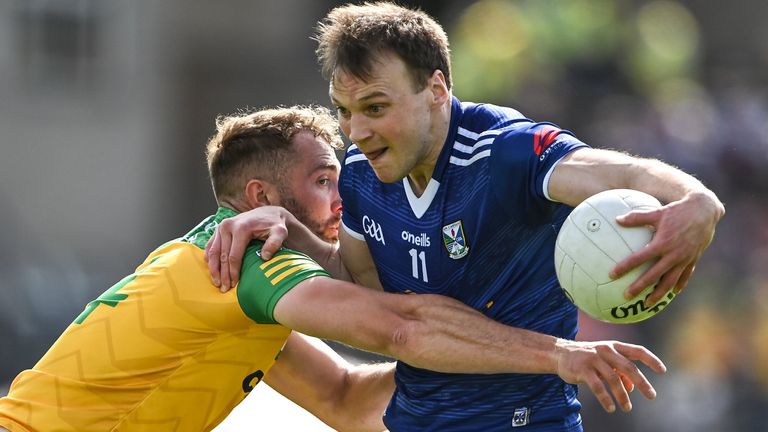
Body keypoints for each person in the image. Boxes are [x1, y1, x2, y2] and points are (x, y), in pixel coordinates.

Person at [206, 3, 725, 431]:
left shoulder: (505, 153)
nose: (355, 132)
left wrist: (696, 200)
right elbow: (363, 289)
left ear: (435, 90)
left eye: (376, 107)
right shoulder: (363, 178)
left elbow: (619, 173)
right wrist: (287, 231)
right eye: (344, 110)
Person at [0, 106, 665, 432]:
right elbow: (402, 327)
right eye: (324, 180)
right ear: (260, 201)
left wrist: (482, 351)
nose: (342, 198)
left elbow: (345, 400)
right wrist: (555, 354)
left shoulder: (232, 298)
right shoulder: (249, 260)